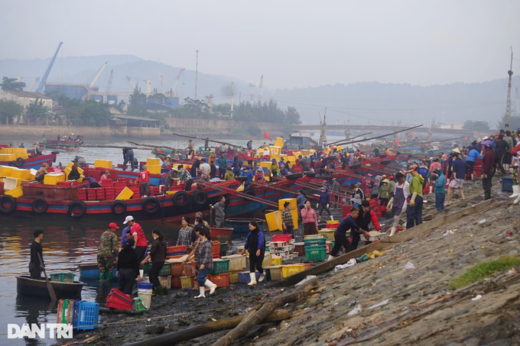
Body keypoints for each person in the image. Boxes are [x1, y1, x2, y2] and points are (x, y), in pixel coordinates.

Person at [141, 229, 167, 296]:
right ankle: (153, 290)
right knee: (150, 274)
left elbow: (151, 253)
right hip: (161, 261)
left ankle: (160, 293)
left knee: (154, 276)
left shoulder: (156, 242)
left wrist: (144, 260)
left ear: (154, 234)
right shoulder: (163, 242)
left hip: (157, 262)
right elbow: (164, 253)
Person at [195, 227, 217, 298]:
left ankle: (212, 285)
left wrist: (203, 264)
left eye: (200, 236)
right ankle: (202, 293)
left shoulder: (207, 244)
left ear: (204, 236)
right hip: (201, 264)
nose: (200, 238)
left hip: (205, 264)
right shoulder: (204, 243)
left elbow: (206, 255)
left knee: (199, 278)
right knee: (201, 279)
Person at [241, 221, 266, 285]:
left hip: (259, 252)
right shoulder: (249, 234)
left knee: (258, 266)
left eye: (251, 227)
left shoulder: (260, 233)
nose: (250, 228)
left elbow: (261, 242)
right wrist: (244, 249)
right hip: (251, 252)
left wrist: (259, 249)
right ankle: (253, 280)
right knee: (251, 266)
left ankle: (263, 273)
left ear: (255, 226)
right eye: (249, 227)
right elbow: (247, 243)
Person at [387, 172, 410, 237]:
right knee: (396, 218)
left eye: (399, 179)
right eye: (397, 180)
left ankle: (391, 234)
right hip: (396, 203)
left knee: (396, 218)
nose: (398, 181)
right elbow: (394, 194)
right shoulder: (396, 184)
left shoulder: (407, 185)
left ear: (402, 177)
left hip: (402, 203)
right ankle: (406, 227)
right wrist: (391, 201)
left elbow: (409, 194)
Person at [406, 165, 424, 229]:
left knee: (410, 213)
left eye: (411, 172)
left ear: (414, 171)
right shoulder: (419, 178)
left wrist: (412, 199)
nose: (411, 174)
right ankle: (419, 227)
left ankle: (410, 228)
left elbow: (415, 190)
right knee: (418, 213)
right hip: (420, 196)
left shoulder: (415, 178)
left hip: (415, 196)